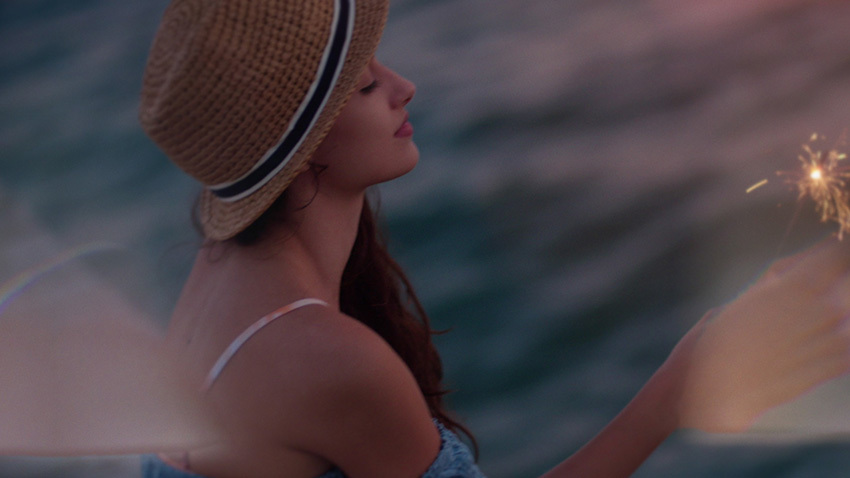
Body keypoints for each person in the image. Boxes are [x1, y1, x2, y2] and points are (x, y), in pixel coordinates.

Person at [137, 0, 850, 476]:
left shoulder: (216, 291)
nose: (404, 86)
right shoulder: (327, 360)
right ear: (303, 149)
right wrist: (680, 389)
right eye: (363, 86)